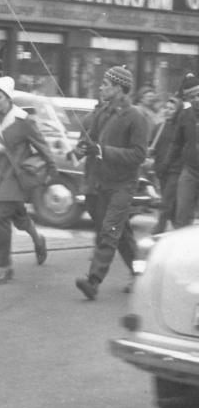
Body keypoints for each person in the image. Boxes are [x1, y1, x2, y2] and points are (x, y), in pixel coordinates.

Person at [74, 66, 147, 300]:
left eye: (105, 84)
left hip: (123, 185)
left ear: (118, 88)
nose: (101, 87)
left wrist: (103, 151)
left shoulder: (136, 117)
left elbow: (138, 155)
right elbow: (90, 138)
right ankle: (142, 275)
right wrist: (81, 148)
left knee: (109, 231)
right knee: (121, 235)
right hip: (101, 184)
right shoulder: (102, 112)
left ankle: (93, 281)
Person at [0, 76, 54, 285]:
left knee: (2, 217)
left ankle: (3, 266)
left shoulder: (23, 120)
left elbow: (41, 145)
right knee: (9, 219)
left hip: (14, 176)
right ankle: (38, 239)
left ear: (8, 98)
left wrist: (52, 168)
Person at [168, 73, 199, 229]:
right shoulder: (185, 116)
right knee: (182, 215)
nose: (197, 99)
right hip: (191, 171)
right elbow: (176, 143)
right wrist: (166, 165)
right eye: (192, 97)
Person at [150, 95, 183, 234]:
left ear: (178, 111)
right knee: (171, 203)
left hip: (175, 170)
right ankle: (180, 229)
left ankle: (159, 229)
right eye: (166, 108)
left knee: (166, 200)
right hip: (161, 170)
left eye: (172, 109)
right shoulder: (159, 127)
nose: (168, 111)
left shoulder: (182, 129)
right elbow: (152, 147)